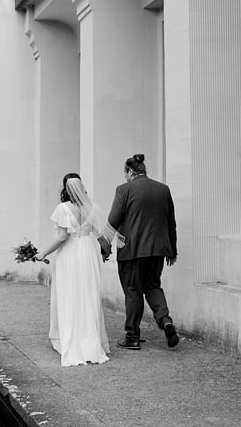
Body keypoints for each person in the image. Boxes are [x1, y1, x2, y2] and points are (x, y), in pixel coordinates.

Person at [35, 173, 120, 366]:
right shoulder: (93, 208)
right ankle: (91, 340)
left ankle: (71, 339)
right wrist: (106, 252)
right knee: (88, 294)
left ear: (65, 188)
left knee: (70, 294)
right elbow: (102, 235)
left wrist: (43, 254)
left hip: (71, 254)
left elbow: (62, 238)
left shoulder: (63, 209)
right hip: (88, 253)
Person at [107, 154, 179, 350]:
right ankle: (165, 321)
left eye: (125, 172)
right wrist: (172, 250)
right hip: (157, 250)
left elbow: (112, 221)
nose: (125, 176)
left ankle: (132, 336)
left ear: (130, 171)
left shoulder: (124, 190)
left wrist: (103, 248)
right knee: (153, 286)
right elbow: (170, 222)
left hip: (132, 251)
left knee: (133, 291)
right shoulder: (163, 189)